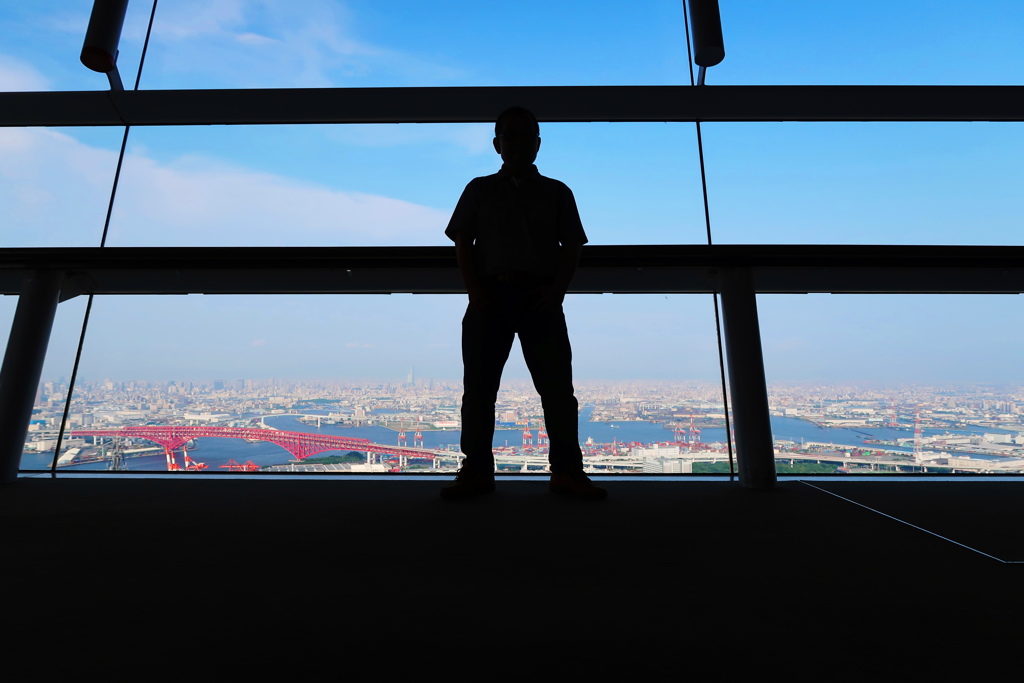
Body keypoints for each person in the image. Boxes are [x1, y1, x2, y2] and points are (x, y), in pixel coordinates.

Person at [441, 106, 606, 500]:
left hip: (529, 297)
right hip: (503, 296)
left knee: (548, 391)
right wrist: (475, 290)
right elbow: (571, 246)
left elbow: (572, 247)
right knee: (487, 391)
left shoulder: (554, 192)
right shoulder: (483, 189)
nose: (517, 143)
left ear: (537, 144)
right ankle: (512, 471)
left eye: (524, 136)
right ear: (497, 144)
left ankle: (512, 472)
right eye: (510, 136)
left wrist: (555, 292)